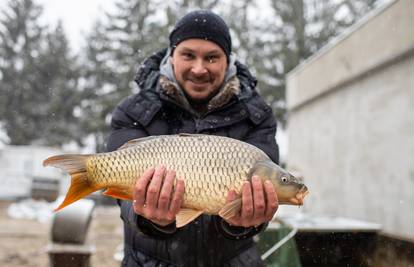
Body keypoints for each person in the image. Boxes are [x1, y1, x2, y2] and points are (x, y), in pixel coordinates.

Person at [107, 10, 280, 267]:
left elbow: (263, 192)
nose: (199, 69)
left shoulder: (257, 115)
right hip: (148, 261)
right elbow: (125, 201)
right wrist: (150, 218)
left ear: (228, 60)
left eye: (211, 57)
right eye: (188, 55)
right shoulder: (132, 111)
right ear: (171, 56)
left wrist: (243, 223)